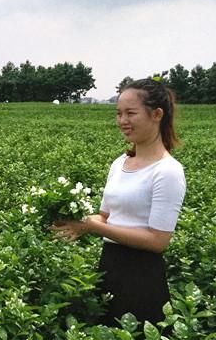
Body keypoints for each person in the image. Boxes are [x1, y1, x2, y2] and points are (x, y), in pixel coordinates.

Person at [51, 78, 186, 326]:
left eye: (130, 113)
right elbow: (106, 216)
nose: (122, 120)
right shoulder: (120, 163)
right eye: (119, 113)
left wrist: (94, 227)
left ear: (157, 115)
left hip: (142, 275)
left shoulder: (167, 171)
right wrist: (77, 223)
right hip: (110, 266)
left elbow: (158, 241)